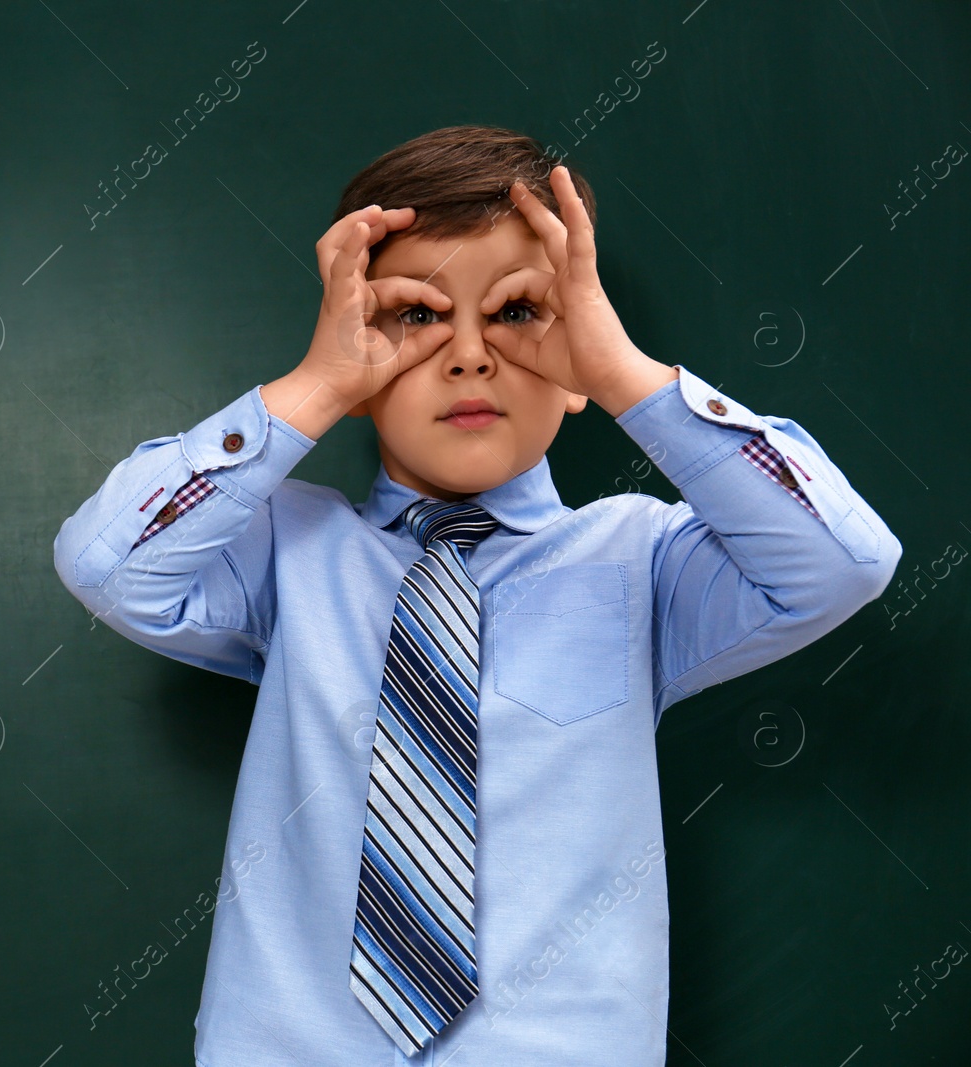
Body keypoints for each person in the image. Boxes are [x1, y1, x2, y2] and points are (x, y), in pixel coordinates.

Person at [52, 125, 900, 1066]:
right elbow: (109, 565)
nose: (468, 356)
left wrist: (623, 374)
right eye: (416, 315)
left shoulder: (642, 558)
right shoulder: (286, 549)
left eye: (520, 311)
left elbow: (842, 561)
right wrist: (315, 384)